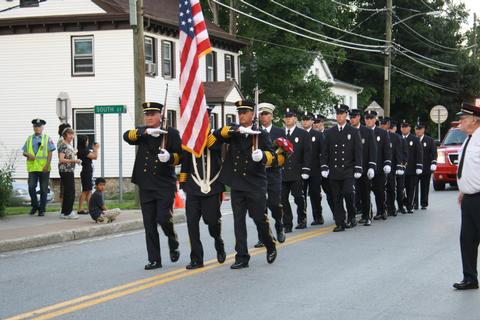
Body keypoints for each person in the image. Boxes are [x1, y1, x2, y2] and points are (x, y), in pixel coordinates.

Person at [212, 100, 277, 269]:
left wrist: (262, 155)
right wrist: (235, 129)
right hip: (238, 184)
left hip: (255, 184)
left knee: (259, 219)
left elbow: (273, 157)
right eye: (239, 112)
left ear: (252, 115)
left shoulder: (260, 134)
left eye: (244, 112)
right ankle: (242, 256)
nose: (241, 115)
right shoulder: (235, 131)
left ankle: (270, 244)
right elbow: (218, 135)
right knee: (238, 221)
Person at [123, 102, 182, 270]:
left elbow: (181, 156)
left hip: (164, 184)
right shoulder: (142, 132)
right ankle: (154, 259)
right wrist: (146, 131)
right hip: (146, 184)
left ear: (160, 116)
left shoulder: (171, 133)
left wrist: (170, 157)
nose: (149, 117)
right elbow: (126, 136)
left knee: (163, 218)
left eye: (152, 114)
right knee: (149, 224)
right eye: (147, 114)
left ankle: (172, 239)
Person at [179, 106, 227, 270]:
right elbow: (185, 163)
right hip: (193, 187)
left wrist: (204, 135)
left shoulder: (215, 136)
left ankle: (218, 240)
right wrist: (182, 185)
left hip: (212, 187)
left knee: (211, 221)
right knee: (192, 224)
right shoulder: (188, 139)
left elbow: (214, 147)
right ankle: (196, 258)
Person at [321, 105, 362, 232]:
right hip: (334, 170)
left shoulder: (353, 131)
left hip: (348, 169)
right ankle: (340, 222)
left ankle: (351, 215)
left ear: (346, 115)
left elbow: (358, 151)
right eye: (337, 114)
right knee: (336, 197)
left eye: (341, 114)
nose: (338, 116)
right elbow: (325, 152)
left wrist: (358, 168)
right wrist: (324, 166)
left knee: (348, 193)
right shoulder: (329, 132)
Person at [453, 102, 480, 290]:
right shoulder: (468, 139)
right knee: (467, 239)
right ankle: (470, 278)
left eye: (463, 119)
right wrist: (463, 190)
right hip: (469, 198)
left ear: (475, 120)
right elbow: (469, 168)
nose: (460, 122)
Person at [254, 102, 286, 248]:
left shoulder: (280, 132)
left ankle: (279, 224)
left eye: (266, 114)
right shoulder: (254, 131)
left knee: (274, 204)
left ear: (272, 116)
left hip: (273, 173)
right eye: (261, 114)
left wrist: (274, 160)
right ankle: (263, 236)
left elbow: (286, 154)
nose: (263, 117)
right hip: (258, 174)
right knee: (260, 208)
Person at [281, 108, 312, 232]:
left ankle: (302, 219)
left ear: (295, 119)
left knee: (298, 197)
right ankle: (287, 223)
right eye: (286, 117)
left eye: (291, 117)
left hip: (297, 172)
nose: (288, 119)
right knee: (282, 199)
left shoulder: (303, 134)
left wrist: (305, 169)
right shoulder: (280, 133)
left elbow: (307, 153)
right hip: (283, 172)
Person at [22, 118, 56, 217]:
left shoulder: (47, 138)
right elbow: (24, 152)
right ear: (33, 127)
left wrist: (47, 165)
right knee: (31, 187)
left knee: (43, 189)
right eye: (35, 126)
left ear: (42, 127)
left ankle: (42, 209)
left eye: (39, 126)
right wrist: (28, 155)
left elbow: (50, 153)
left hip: (44, 168)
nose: (37, 128)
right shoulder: (29, 139)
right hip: (32, 168)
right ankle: (35, 206)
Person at [350, 109, 377, 226]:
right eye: (351, 117)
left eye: (355, 117)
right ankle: (351, 215)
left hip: (364, 167)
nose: (352, 119)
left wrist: (371, 166)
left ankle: (367, 215)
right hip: (350, 168)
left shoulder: (367, 131)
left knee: (364, 193)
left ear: (359, 118)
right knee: (351, 193)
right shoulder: (347, 131)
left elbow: (372, 150)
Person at [364, 111, 392, 221]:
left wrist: (387, 163)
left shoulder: (382, 133)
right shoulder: (361, 132)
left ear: (375, 120)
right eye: (367, 118)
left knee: (379, 190)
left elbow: (387, 150)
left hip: (379, 167)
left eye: (371, 118)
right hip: (365, 167)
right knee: (365, 191)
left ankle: (381, 210)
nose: (369, 120)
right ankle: (367, 213)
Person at [301, 111, 325, 225]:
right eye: (304, 119)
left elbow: (323, 153)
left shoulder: (318, 135)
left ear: (311, 122)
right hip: (300, 169)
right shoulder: (298, 134)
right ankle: (302, 219)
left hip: (315, 170)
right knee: (301, 196)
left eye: (308, 119)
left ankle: (318, 216)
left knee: (315, 194)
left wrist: (323, 167)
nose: (305, 121)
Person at [380, 118, 405, 216]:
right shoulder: (376, 135)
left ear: (388, 125)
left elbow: (398, 153)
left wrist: (399, 166)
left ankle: (391, 207)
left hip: (392, 166)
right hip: (380, 166)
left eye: (384, 124)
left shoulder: (394, 137)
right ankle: (382, 208)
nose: (382, 125)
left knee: (391, 187)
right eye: (381, 124)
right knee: (381, 189)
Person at [400, 120, 423, 213]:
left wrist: (419, 166)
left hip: (412, 168)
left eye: (406, 127)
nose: (404, 128)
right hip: (400, 168)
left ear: (409, 128)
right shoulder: (398, 138)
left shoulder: (415, 139)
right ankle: (404, 203)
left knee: (411, 188)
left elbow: (419, 153)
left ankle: (410, 205)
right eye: (403, 127)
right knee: (400, 188)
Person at [58, 127, 81, 219]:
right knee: (70, 191)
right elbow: (61, 159)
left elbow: (69, 155)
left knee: (68, 191)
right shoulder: (63, 145)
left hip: (69, 170)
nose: (72, 136)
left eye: (72, 134)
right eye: (69, 134)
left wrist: (74, 154)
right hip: (65, 170)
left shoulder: (69, 145)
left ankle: (64, 212)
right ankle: (68, 212)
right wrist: (75, 161)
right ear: (65, 135)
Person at [414, 122, 437, 210]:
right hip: (414, 168)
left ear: (423, 130)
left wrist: (433, 163)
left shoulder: (429, 140)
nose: (418, 131)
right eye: (417, 129)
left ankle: (424, 203)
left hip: (426, 167)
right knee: (413, 186)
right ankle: (414, 203)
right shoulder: (412, 139)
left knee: (425, 186)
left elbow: (433, 153)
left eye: (420, 129)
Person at [77, 136, 99, 215]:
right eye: (87, 141)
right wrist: (96, 148)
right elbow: (95, 156)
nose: (87, 142)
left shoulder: (83, 150)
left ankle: (90, 208)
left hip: (87, 172)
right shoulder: (83, 151)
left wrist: (93, 150)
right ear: (83, 142)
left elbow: (92, 155)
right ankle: (80, 209)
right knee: (85, 191)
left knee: (89, 191)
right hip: (86, 172)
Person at [56, 123, 71, 205]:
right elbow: (62, 155)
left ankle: (64, 207)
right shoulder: (62, 141)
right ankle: (63, 207)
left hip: (66, 166)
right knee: (64, 187)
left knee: (64, 186)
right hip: (64, 166)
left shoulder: (62, 140)